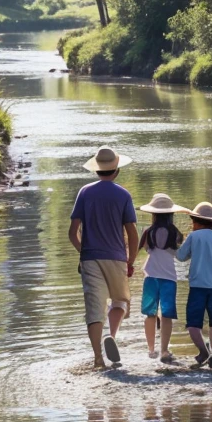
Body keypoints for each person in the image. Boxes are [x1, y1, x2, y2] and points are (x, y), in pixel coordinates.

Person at [69, 145, 138, 368]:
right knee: (120, 301)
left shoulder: (85, 192)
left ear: (96, 169)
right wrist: (130, 261)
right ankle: (112, 336)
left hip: (90, 259)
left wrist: (85, 252)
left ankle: (98, 358)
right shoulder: (123, 195)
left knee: (94, 308)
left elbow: (72, 233)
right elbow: (132, 234)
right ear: (116, 169)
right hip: (117, 258)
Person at [176, 202, 212, 369]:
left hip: (197, 288)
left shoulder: (194, 237)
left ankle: (203, 351)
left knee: (193, 323)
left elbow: (181, 257)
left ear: (197, 221)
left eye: (193, 221)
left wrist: (178, 242)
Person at [138, 193, 189, 363]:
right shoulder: (175, 233)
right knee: (166, 315)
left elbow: (145, 249)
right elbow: (179, 255)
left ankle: (151, 350)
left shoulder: (148, 232)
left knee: (150, 314)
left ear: (153, 214)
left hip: (150, 276)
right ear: (170, 214)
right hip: (169, 278)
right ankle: (164, 351)